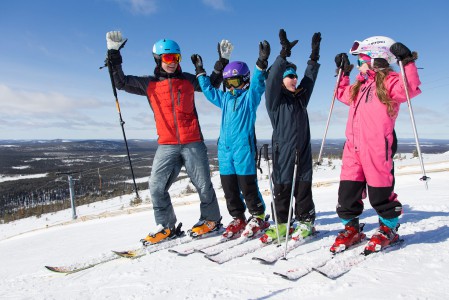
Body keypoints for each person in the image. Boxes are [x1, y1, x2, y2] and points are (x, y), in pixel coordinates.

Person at [105, 31, 232, 244]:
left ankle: (211, 220)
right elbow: (120, 81)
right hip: (167, 144)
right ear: (158, 59)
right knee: (156, 187)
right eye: (167, 58)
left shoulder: (189, 81)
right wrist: (113, 52)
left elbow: (212, 84)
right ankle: (166, 226)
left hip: (193, 141)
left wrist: (222, 62)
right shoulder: (149, 84)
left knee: (203, 185)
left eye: (176, 58)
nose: (172, 62)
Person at [329, 36, 421, 254]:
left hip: (377, 147)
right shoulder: (360, 85)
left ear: (375, 60)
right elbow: (340, 94)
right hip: (353, 148)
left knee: (380, 194)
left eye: (362, 59)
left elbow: (410, 88)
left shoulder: (389, 82)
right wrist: (343, 73)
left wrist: (407, 61)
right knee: (346, 194)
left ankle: (388, 229)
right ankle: (351, 229)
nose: (359, 64)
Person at [190, 40, 271, 238]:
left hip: (243, 149)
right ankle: (238, 217)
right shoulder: (226, 99)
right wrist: (200, 72)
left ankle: (258, 215)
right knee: (229, 188)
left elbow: (258, 86)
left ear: (245, 80)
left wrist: (261, 62)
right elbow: (209, 92)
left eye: (235, 82)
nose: (232, 87)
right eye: (228, 84)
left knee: (247, 186)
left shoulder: (249, 99)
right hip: (225, 151)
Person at [261, 29, 321, 243]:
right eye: (289, 76)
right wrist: (282, 55)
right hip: (283, 151)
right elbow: (271, 80)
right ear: (280, 80)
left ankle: (305, 221)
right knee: (283, 187)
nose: (294, 79)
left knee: (303, 186)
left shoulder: (301, 98)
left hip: (303, 149)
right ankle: (282, 224)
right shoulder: (275, 101)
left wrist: (313, 57)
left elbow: (310, 79)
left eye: (294, 75)